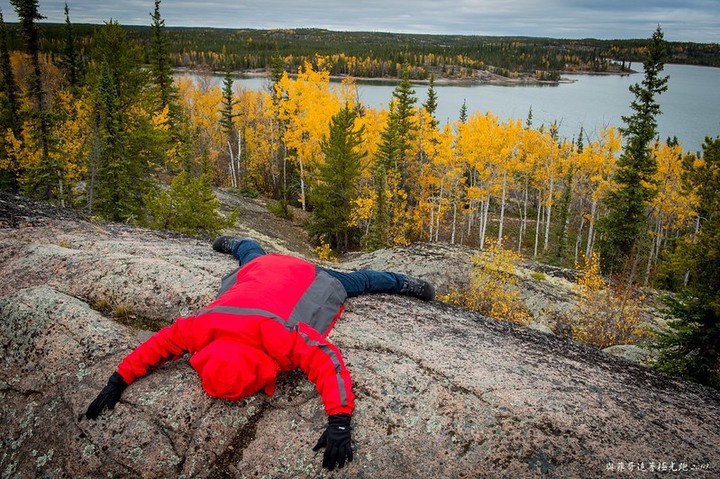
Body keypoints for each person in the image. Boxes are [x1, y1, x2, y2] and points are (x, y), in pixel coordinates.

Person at [85, 237, 434, 471]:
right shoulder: (202, 329)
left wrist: (340, 419)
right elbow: (158, 345)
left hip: (308, 275)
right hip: (261, 271)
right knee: (250, 257)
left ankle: (404, 283)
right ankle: (237, 242)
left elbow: (326, 360)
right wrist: (119, 379)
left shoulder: (275, 336)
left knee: (361, 281)